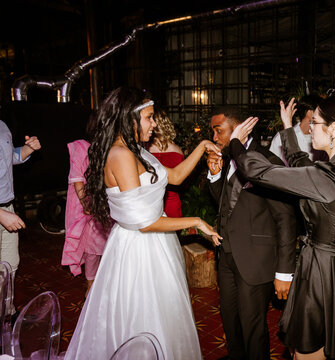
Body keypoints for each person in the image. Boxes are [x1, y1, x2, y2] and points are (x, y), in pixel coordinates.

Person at [64, 86, 221, 360]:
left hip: (158, 245)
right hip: (138, 250)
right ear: (129, 118)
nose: (154, 123)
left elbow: (174, 176)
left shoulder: (136, 150)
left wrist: (202, 147)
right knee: (145, 317)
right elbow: (144, 223)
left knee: (166, 314)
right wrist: (197, 221)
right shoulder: (121, 156)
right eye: (149, 117)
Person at [227, 95, 335, 359]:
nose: (309, 128)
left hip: (319, 270)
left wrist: (236, 143)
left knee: (308, 352)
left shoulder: (331, 177)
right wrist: (287, 129)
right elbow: (299, 163)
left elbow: (257, 172)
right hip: (334, 264)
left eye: (315, 122)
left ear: (334, 129)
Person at [205, 106, 297, 360]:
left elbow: (285, 217)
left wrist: (284, 271)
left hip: (256, 259)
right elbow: (226, 204)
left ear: (238, 129)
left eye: (218, 131)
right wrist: (215, 178)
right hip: (227, 256)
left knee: (253, 327)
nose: (215, 138)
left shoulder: (266, 160)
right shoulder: (227, 159)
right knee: (230, 322)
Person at [62, 114, 110, 296]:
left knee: (105, 243)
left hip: (104, 201)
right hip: (86, 205)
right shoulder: (81, 146)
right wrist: (85, 203)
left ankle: (105, 285)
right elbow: (77, 179)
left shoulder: (105, 148)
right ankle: (90, 287)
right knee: (92, 247)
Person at [0, 120, 41, 314]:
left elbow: (9, 158)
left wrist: (26, 149)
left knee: (10, 266)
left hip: (7, 207)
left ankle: (6, 313)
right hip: (2, 213)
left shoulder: (2, 125)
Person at [269, 94, 326, 164]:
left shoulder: (323, 138)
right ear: (309, 113)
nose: (324, 115)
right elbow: (272, 165)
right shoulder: (282, 137)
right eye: (321, 111)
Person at [148, 110, 185, 217]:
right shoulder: (177, 150)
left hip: (150, 205)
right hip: (172, 204)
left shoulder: (144, 151)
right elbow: (183, 181)